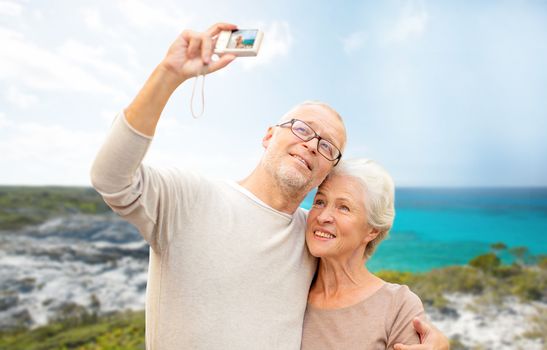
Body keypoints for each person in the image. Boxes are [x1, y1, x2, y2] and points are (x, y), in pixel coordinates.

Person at [90, 23, 449, 349]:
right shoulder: (190, 198)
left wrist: (439, 343)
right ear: (268, 135)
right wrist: (168, 75)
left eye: (327, 146)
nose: (311, 144)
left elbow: (358, 293)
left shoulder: (310, 237)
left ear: (327, 172)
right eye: (302, 128)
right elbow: (110, 177)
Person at [301, 159, 425, 349]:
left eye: (344, 207)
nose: (323, 216)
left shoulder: (398, 306)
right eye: (319, 201)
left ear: (372, 230)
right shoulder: (292, 287)